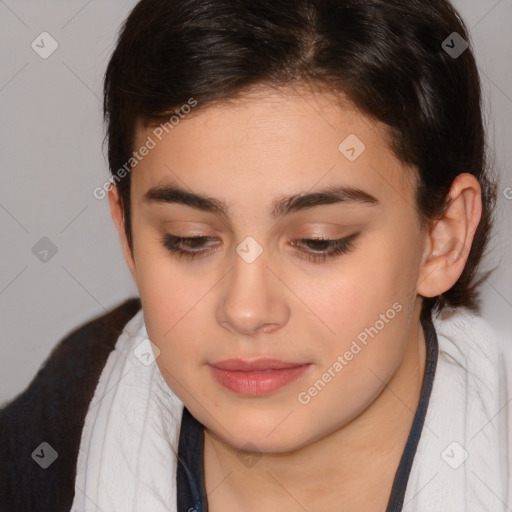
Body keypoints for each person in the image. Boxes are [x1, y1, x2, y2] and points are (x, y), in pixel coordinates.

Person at [1, 0, 509, 511]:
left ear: (442, 236)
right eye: (190, 238)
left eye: (319, 241)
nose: (246, 310)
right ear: (128, 231)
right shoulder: (48, 446)